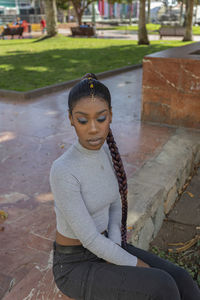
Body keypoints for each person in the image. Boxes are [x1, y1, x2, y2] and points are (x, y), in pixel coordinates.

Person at [50, 73, 200, 300]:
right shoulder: (62, 170)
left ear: (110, 116)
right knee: (161, 286)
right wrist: (134, 264)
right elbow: (89, 239)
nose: (93, 129)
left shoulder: (105, 153)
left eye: (100, 118)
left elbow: (114, 203)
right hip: (74, 266)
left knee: (181, 278)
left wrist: (114, 247)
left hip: (106, 247)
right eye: (83, 120)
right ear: (71, 118)